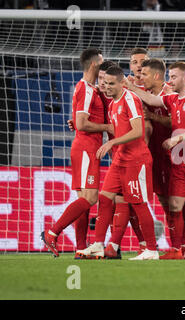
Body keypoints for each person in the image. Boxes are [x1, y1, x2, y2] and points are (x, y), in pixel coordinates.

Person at [125, 61, 185, 260]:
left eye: (174, 77)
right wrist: (130, 87)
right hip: (178, 162)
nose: (170, 81)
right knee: (175, 205)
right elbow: (151, 100)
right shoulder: (172, 98)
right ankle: (177, 249)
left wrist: (177, 138)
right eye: (169, 77)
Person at [78, 65, 159, 260]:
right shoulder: (113, 103)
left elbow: (137, 130)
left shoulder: (130, 99)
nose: (107, 87)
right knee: (105, 199)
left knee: (139, 204)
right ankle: (98, 244)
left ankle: (151, 250)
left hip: (135, 160)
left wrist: (113, 141)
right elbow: (118, 128)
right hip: (120, 160)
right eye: (105, 83)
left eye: (112, 84)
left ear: (122, 83)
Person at [41, 48, 111, 258]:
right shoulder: (86, 89)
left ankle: (81, 248)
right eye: (102, 61)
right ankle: (52, 232)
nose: (105, 64)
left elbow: (80, 121)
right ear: (93, 65)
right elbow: (82, 123)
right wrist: (107, 128)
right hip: (86, 148)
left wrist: (87, 124)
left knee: (84, 199)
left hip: (86, 147)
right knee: (90, 198)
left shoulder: (90, 88)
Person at [139, 58, 185, 259]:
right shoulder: (146, 95)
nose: (141, 77)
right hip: (154, 154)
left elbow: (177, 120)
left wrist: (154, 117)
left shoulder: (169, 94)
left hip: (171, 154)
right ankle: (181, 243)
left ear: (157, 76)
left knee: (175, 201)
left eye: (144, 74)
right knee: (166, 202)